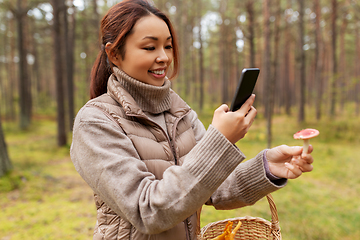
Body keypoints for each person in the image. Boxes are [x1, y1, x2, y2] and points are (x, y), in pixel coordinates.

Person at [70, 1, 314, 239]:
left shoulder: (179, 111)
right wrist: (220, 140)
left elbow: (213, 188)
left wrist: (267, 168)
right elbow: (148, 212)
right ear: (114, 54)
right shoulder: (95, 122)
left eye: (168, 46)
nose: (164, 57)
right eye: (149, 47)